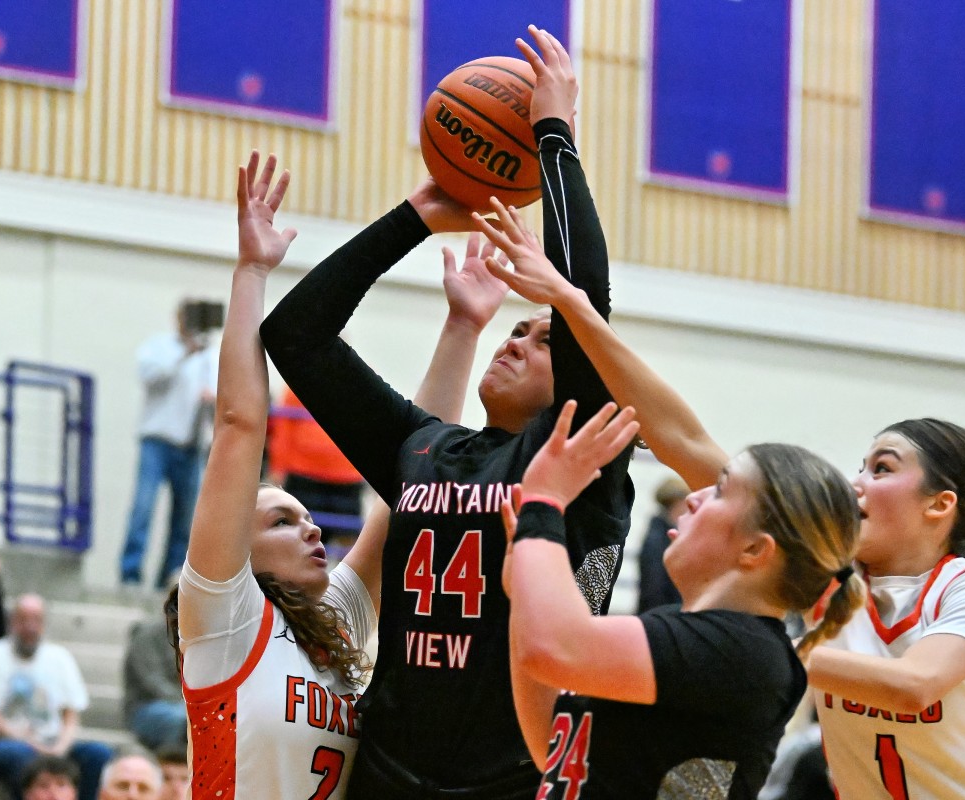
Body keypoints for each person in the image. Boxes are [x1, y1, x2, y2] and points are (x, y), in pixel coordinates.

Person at [474, 204, 965, 799]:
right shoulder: (826, 579)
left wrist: (748, 655)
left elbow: (913, 685)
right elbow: (679, 437)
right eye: (859, 466)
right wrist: (574, 306)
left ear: (939, 506)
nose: (856, 483)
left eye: (883, 469)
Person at [260, 28, 634, 799]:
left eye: (542, 337)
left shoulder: (578, 451)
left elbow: (585, 295)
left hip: (515, 775)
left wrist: (554, 134)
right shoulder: (422, 447)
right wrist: (415, 216)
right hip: (389, 771)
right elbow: (294, 334)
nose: (518, 339)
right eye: (515, 327)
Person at [169, 151, 506, 800]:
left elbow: (421, 477)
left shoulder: (338, 624)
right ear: (236, 546)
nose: (312, 525)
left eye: (304, 514)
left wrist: (463, 327)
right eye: (281, 519)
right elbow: (240, 426)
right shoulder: (223, 617)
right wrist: (251, 272)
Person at [499, 400, 861, 798]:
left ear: (756, 549)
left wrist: (544, 502)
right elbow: (553, 744)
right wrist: (522, 600)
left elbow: (554, 648)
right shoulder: (697, 636)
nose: (693, 498)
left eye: (721, 491)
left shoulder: (741, 651)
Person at [118, 299, 218, 588]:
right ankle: (130, 573)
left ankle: (170, 577)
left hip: (193, 446)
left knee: (185, 519)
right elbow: (151, 377)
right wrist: (185, 353)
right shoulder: (159, 347)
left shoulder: (210, 356)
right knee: (143, 509)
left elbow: (219, 394)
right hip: (157, 442)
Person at [0, 594, 111, 800]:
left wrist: (60, 746)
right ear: (11, 622)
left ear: (44, 624)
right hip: (5, 741)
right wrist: (29, 743)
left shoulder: (60, 658)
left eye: (36, 620)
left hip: (53, 743)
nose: (30, 627)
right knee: (17, 755)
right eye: (23, 619)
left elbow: (71, 715)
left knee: (98, 754)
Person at [266, 384, 366, 545]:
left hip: (347, 477)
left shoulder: (358, 377)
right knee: (299, 539)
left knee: (350, 544)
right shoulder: (298, 380)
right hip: (304, 475)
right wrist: (278, 467)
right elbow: (284, 427)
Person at [121, 613, 185, 752]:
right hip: (145, 707)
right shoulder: (146, 635)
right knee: (184, 719)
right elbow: (153, 682)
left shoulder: (196, 636)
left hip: (181, 705)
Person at [636, 476, 688, 612]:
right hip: (659, 615)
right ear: (676, 503)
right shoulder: (658, 538)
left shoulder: (661, 532)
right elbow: (654, 588)